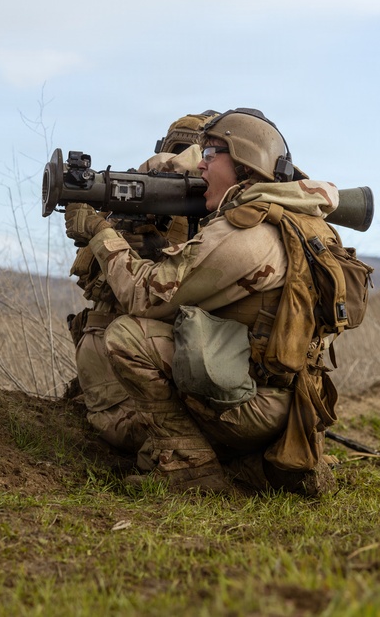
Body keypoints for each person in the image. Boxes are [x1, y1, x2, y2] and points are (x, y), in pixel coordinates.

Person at [64, 108, 343, 496]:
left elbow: (144, 295)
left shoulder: (243, 233)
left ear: (244, 163)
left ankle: (189, 467)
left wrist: (99, 231)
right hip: (292, 403)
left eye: (211, 154)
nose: (200, 165)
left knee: (128, 337)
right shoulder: (300, 220)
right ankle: (255, 465)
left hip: (250, 407)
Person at [67, 112, 220, 470]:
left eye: (207, 157)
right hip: (123, 383)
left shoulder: (225, 217)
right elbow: (100, 284)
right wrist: (124, 238)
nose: (193, 168)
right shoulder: (138, 202)